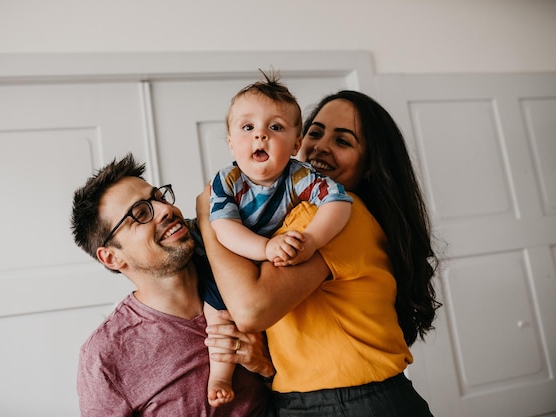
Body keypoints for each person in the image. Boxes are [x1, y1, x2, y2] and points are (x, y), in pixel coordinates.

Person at [199, 90, 441, 416]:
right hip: (319, 398)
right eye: (316, 133)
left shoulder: (328, 216)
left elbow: (251, 309)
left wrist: (208, 214)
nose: (320, 146)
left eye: (343, 141)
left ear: (369, 165)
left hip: (348, 403)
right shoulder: (292, 212)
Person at [70, 154, 272, 417]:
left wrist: (266, 369)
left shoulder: (246, 282)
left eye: (160, 198)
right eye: (141, 213)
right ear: (112, 257)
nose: (166, 210)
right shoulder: (104, 356)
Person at [206, 72, 352, 406]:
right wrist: (265, 247)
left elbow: (339, 203)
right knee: (219, 316)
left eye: (275, 128)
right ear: (230, 142)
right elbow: (224, 229)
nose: (260, 135)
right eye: (247, 128)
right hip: (233, 253)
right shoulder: (227, 180)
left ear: (296, 144)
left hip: (267, 269)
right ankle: (220, 374)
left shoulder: (298, 176)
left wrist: (313, 240)